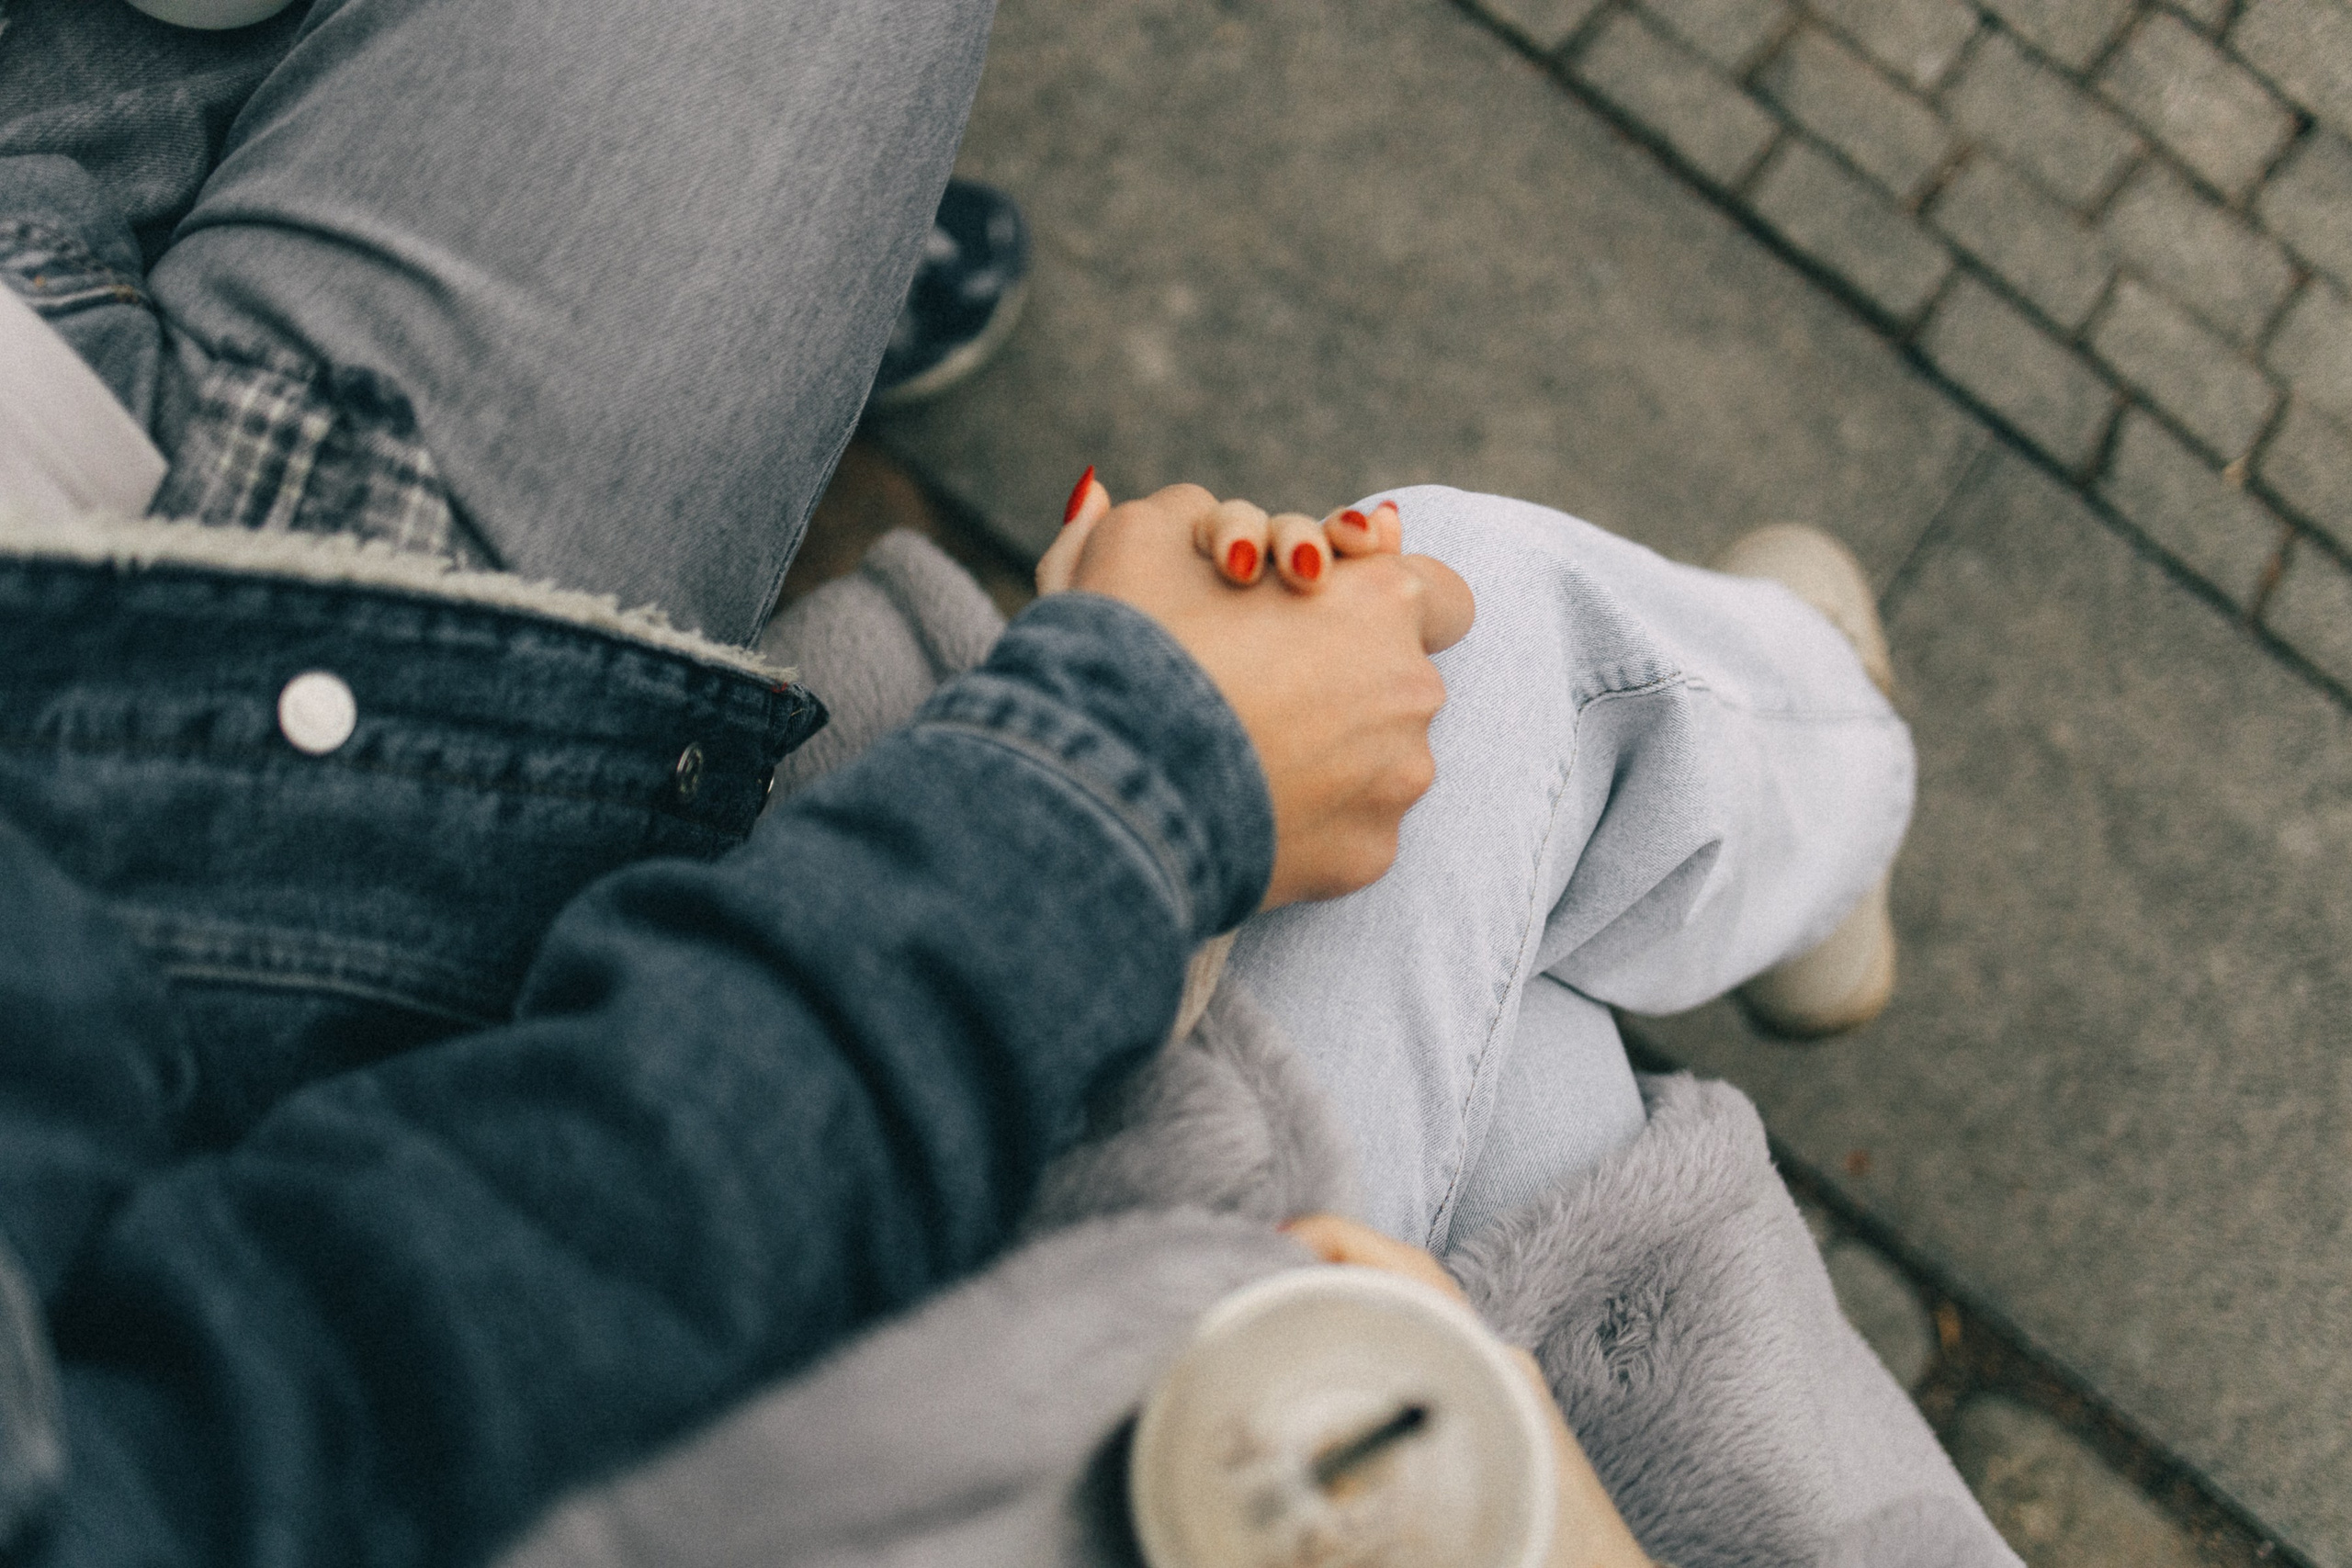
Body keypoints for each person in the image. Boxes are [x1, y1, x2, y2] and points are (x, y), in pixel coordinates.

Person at [0, 2, 2007, 1565]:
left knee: (1511, 976)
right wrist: (1116, 782)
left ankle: (852, 280)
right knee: (1478, 659)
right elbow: (295, 1418)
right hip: (233, 851)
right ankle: (1819, 756)